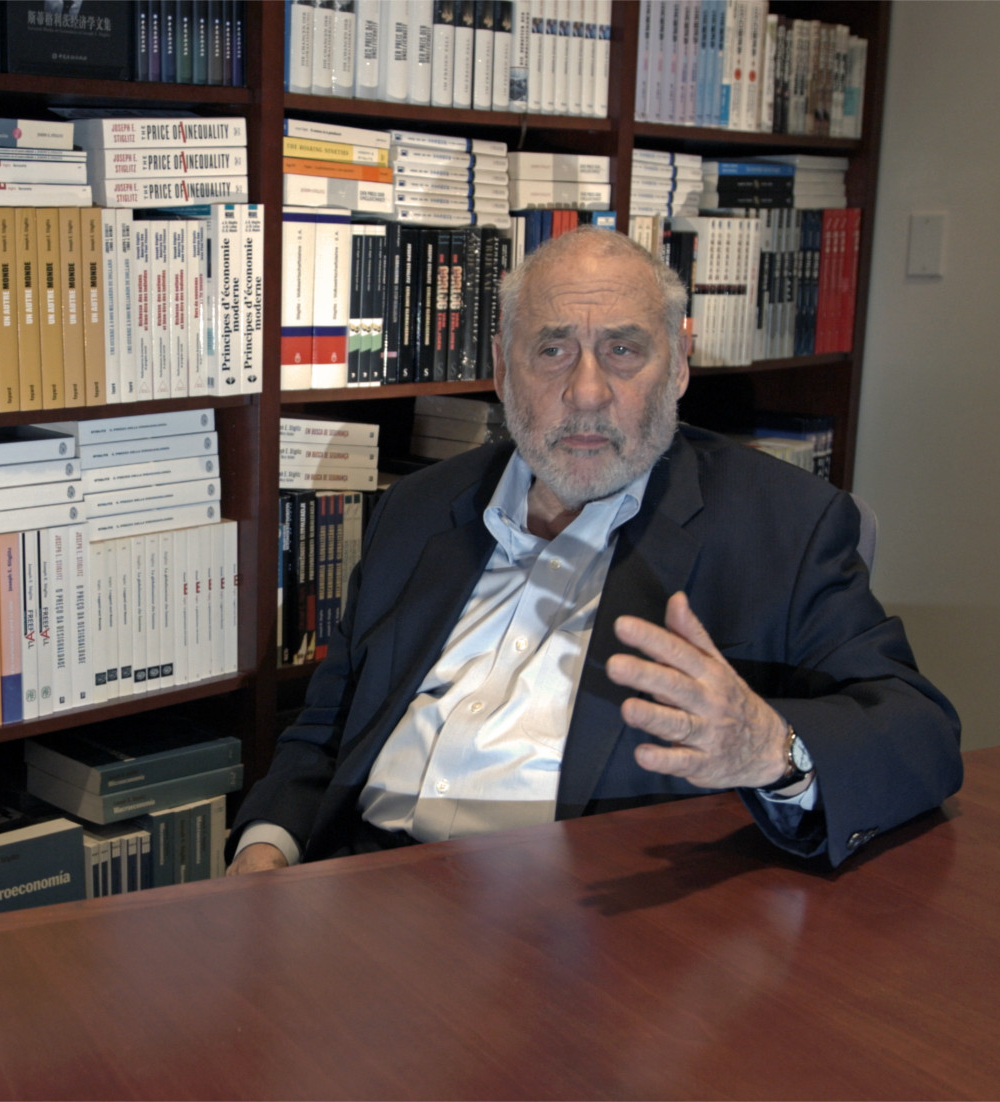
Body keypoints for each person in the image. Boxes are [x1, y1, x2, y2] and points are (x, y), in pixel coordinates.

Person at [229, 227, 961, 874]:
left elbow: (919, 732)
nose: (586, 391)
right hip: (362, 894)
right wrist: (264, 853)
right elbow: (325, 730)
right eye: (552, 349)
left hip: (583, 928)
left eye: (622, 350)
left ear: (677, 367)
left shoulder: (785, 527)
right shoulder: (416, 512)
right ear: (502, 367)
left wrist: (772, 745)